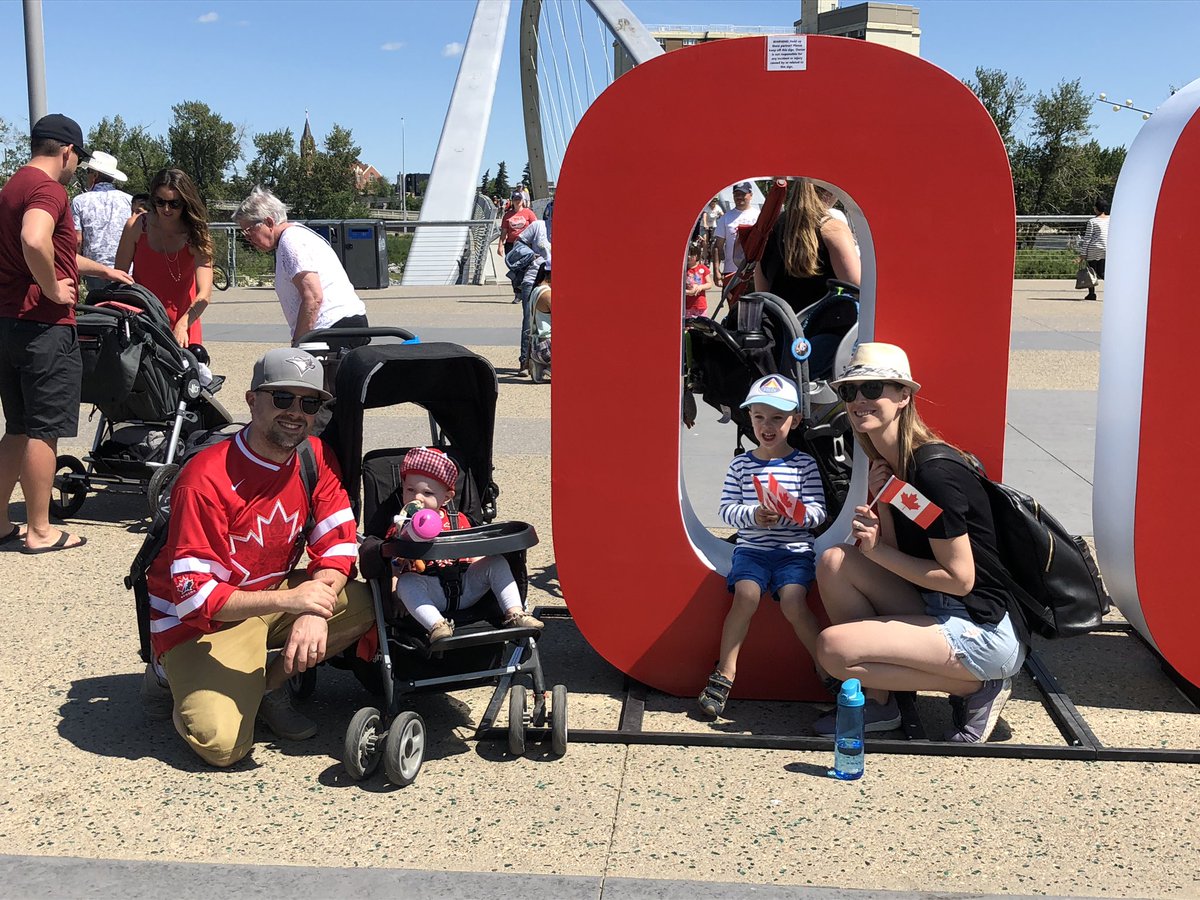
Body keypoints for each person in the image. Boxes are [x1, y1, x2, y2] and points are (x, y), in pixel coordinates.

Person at [144, 348, 374, 767]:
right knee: (223, 747)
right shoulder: (204, 478)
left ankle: (265, 687)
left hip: (269, 598)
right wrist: (293, 601)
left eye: (310, 402)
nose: (296, 413)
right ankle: (167, 677)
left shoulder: (313, 457)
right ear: (252, 401)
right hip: (198, 626)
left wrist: (313, 610)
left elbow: (339, 544)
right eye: (282, 398)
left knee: (370, 602)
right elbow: (195, 598)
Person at [813, 343, 1027, 743]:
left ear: (903, 396)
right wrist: (886, 509)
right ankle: (879, 703)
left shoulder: (932, 472)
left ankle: (975, 688)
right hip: (935, 606)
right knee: (834, 562)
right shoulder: (896, 466)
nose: (859, 400)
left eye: (873, 388)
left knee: (833, 650)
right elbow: (906, 556)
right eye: (849, 392)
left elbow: (959, 579)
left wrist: (876, 549)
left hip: (979, 627)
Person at [0, 113, 132, 554]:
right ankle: (40, 529)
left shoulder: (13, 185)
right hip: (43, 326)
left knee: (16, 429)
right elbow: (34, 240)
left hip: (9, 324)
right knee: (43, 429)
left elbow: (49, 252)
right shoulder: (49, 188)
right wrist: (52, 288)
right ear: (67, 151)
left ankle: (1, 521)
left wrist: (103, 269)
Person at [698, 374, 827, 718]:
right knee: (746, 595)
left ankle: (826, 666)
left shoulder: (804, 464)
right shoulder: (741, 464)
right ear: (749, 418)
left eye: (777, 418)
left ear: (795, 420)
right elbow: (726, 510)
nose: (767, 426)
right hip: (752, 549)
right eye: (759, 417)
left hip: (794, 551)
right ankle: (725, 673)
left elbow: (818, 512)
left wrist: (795, 513)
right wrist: (754, 514)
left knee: (794, 601)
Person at [389, 447, 543, 642]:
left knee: (495, 562)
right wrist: (395, 593)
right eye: (410, 490)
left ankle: (515, 613)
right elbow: (394, 565)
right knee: (406, 583)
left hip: (465, 585)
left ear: (446, 497)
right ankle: (436, 625)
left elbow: (474, 553)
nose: (417, 498)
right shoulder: (401, 524)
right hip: (430, 589)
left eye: (427, 492)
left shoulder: (458, 519)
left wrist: (482, 566)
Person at [234, 186, 369, 349]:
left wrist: (298, 343)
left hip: (333, 328)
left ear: (269, 222)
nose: (248, 238)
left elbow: (313, 297)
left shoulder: (291, 241)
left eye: (249, 231)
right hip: (342, 325)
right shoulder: (293, 237)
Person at [115, 168, 214, 347]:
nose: (166, 209)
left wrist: (183, 324)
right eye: (160, 202)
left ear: (185, 202)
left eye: (174, 203)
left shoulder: (196, 234)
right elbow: (119, 276)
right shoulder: (137, 225)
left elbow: (204, 294)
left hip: (184, 320)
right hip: (143, 318)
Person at [754, 178, 860, 314]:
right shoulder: (833, 228)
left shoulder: (768, 229)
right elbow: (857, 288)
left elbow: (763, 293)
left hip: (780, 329)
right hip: (824, 328)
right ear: (831, 191)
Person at [71, 150, 132, 292]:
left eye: (89, 173)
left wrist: (76, 269)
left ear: (95, 175)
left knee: (96, 310)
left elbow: (77, 240)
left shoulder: (80, 201)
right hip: (125, 269)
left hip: (94, 269)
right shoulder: (129, 201)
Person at [509, 218, 551, 376]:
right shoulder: (539, 226)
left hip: (554, 279)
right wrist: (532, 256)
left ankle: (544, 360)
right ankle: (525, 361)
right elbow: (518, 243)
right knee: (529, 319)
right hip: (533, 277)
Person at [713, 182, 759, 289]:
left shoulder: (759, 216)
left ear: (750, 195)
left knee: (754, 305)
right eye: (736, 194)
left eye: (743, 194)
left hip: (753, 272)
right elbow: (717, 247)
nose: (739, 197)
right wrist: (716, 271)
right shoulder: (725, 218)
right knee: (734, 305)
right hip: (731, 272)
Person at [499, 190, 537, 302]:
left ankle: (528, 292)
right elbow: (504, 232)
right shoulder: (508, 215)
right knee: (514, 269)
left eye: (519, 199)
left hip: (526, 245)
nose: (517, 201)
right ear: (512, 201)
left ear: (523, 200)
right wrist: (500, 245)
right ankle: (517, 293)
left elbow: (536, 228)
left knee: (527, 268)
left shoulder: (528, 213)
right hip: (511, 245)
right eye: (515, 199)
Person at [1079, 198, 1109, 302]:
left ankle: (1092, 293)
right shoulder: (1111, 219)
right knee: (1102, 271)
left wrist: (1083, 253)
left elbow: (1088, 238)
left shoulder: (1092, 221)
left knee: (1091, 271)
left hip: (1094, 248)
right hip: (1106, 248)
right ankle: (1112, 290)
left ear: (1096, 209)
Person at [683, 241, 713, 317]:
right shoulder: (684, 270)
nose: (689, 257)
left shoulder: (702, 268)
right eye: (687, 254)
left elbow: (709, 284)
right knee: (688, 326)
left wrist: (700, 287)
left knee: (700, 326)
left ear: (697, 256)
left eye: (691, 254)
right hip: (687, 305)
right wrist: (688, 292)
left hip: (700, 305)